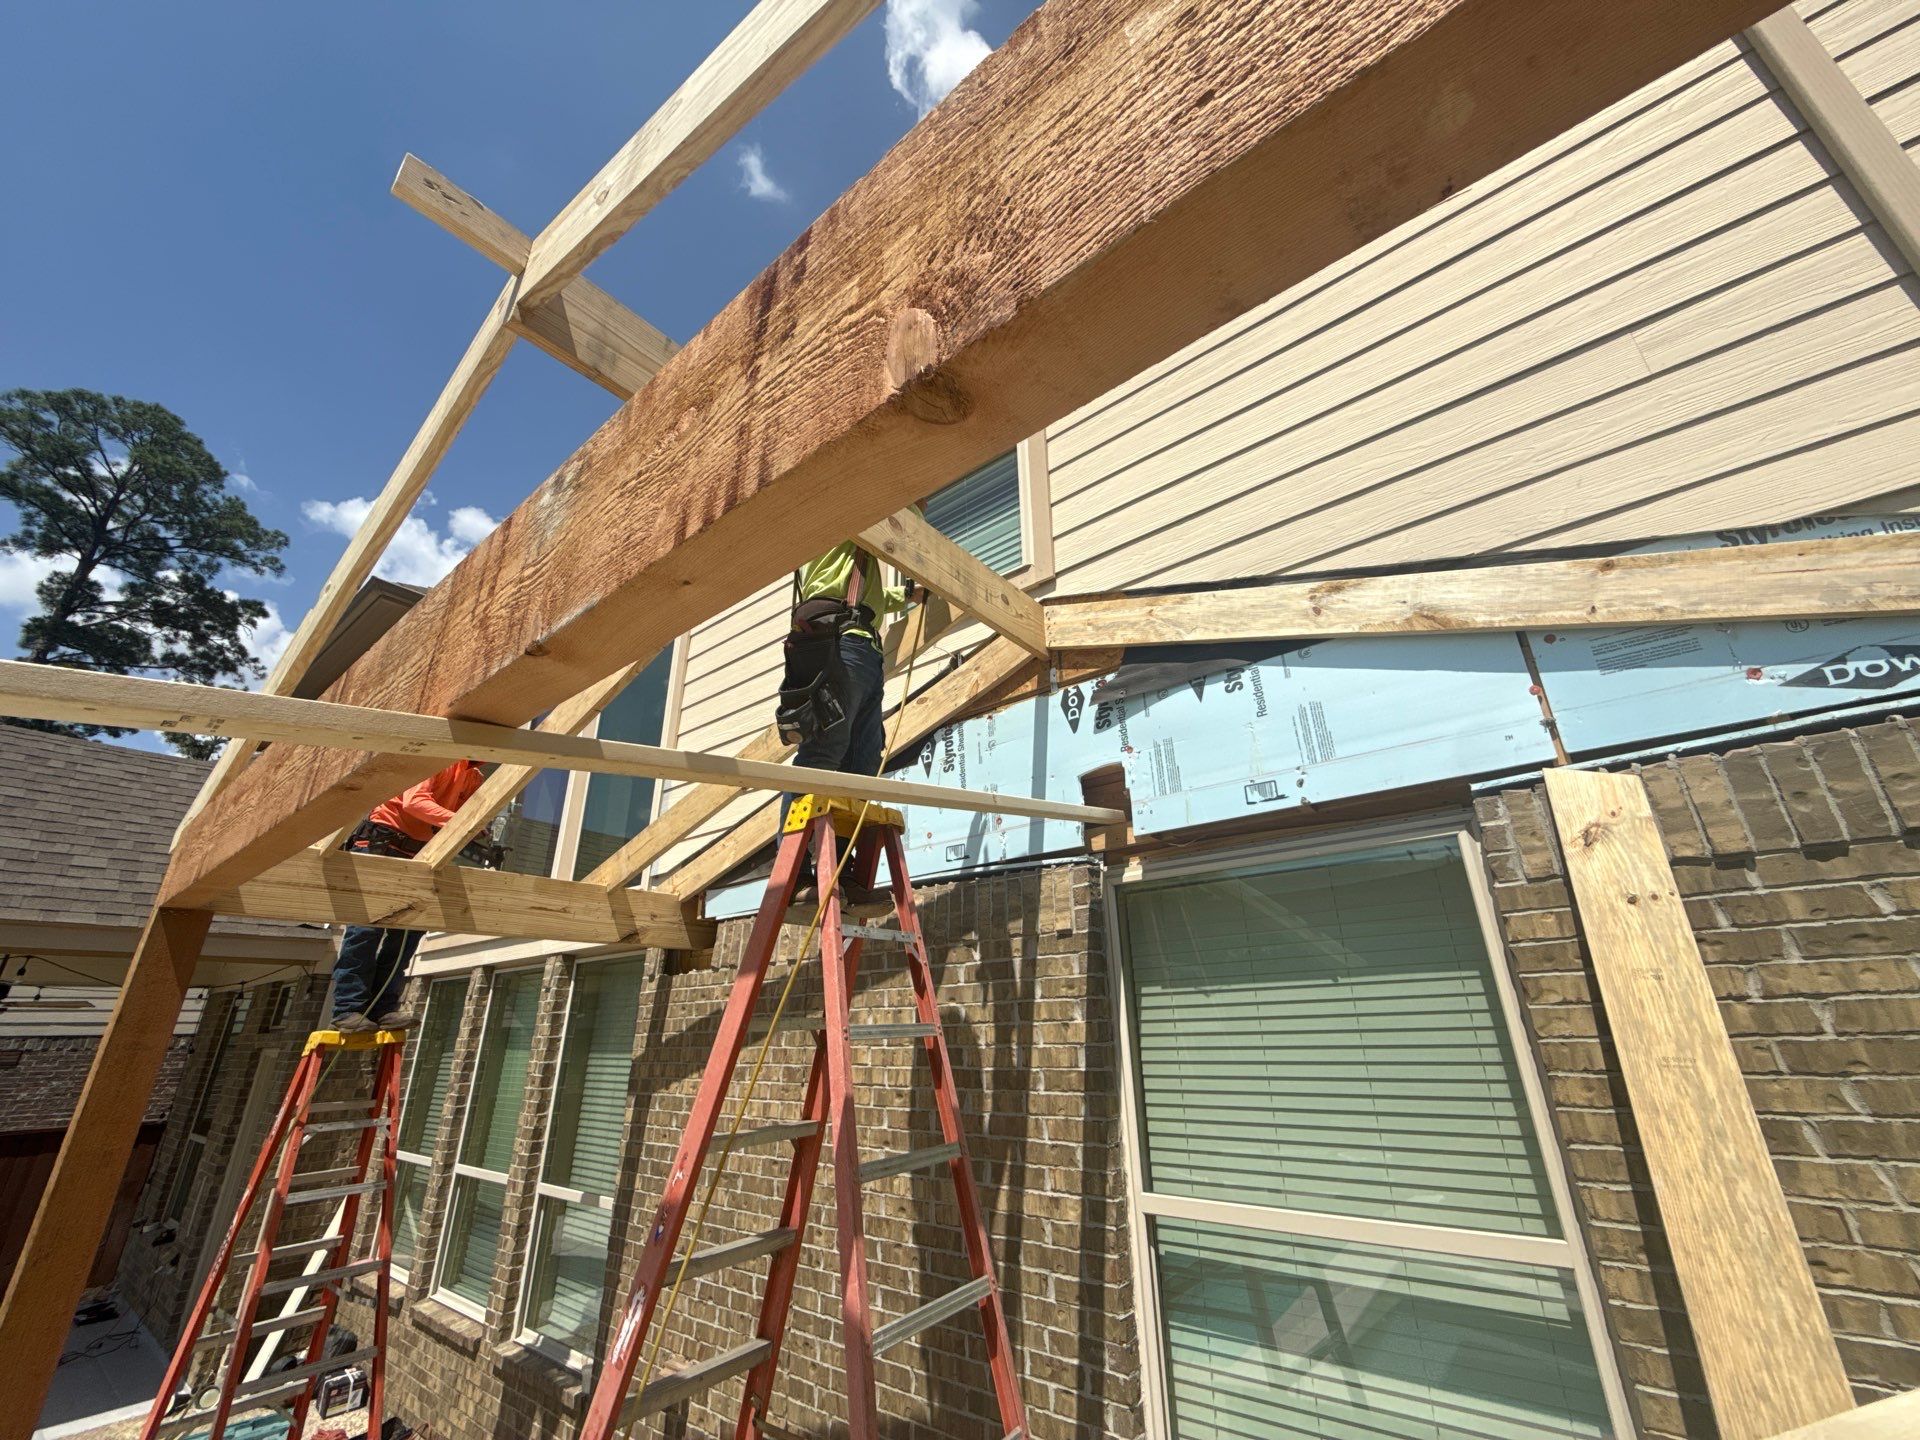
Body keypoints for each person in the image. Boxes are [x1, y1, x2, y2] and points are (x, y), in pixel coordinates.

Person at [776, 541, 919, 899]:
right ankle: (793, 876)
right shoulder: (835, 522)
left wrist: (905, 595)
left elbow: (866, 594)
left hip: (859, 646)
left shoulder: (842, 560)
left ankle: (836, 870)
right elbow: (908, 511)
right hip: (842, 641)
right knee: (823, 754)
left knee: (862, 762)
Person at [331, 758, 485, 1032]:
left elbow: (465, 813)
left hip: (420, 851)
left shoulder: (473, 777)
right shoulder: (441, 758)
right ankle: (348, 1009)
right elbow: (414, 802)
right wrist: (465, 823)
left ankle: (383, 1009)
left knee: (407, 934)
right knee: (366, 929)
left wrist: (475, 826)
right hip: (382, 841)